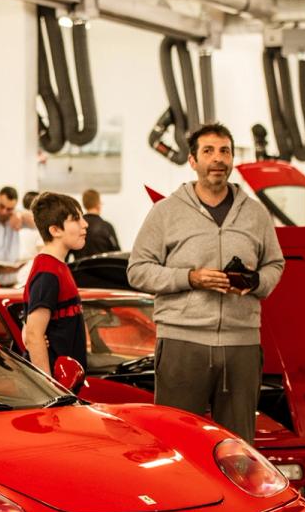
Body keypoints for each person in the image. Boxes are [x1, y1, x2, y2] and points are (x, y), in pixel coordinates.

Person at [126, 123, 285, 442]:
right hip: (182, 342)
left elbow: (275, 264)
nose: (218, 158)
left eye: (225, 151)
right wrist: (190, 278)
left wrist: (255, 282)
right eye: (208, 151)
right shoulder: (166, 212)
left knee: (239, 446)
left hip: (241, 344)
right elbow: (138, 270)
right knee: (178, 441)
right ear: (193, 160)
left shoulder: (255, 214)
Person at [22, 193, 89, 379]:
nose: (85, 224)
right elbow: (34, 335)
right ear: (55, 230)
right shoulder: (48, 272)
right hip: (56, 383)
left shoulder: (58, 267)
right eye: (76, 219)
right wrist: (50, 387)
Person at [76, 188, 120, 259]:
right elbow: (117, 252)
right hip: (104, 265)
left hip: (80, 266)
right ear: (98, 204)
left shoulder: (76, 226)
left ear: (84, 204)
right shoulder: (107, 227)